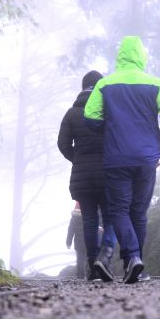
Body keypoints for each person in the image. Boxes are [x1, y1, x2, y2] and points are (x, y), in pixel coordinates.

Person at [84, 36, 160, 284]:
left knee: (118, 210)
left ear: (120, 56)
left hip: (117, 157)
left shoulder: (105, 84)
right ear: (142, 56)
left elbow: (91, 118)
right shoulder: (156, 84)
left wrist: (111, 129)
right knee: (139, 211)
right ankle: (135, 265)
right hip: (147, 158)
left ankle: (133, 258)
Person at [58, 70, 117, 281]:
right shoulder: (109, 111)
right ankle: (104, 258)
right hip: (108, 174)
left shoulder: (72, 113)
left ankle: (93, 266)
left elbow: (62, 144)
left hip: (82, 177)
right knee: (110, 218)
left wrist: (77, 159)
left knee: (90, 221)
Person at [65, 201, 87, 279]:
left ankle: (80, 274)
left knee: (80, 259)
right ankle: (90, 273)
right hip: (88, 241)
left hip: (78, 243)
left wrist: (68, 242)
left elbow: (70, 231)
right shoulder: (88, 217)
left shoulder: (74, 219)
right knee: (90, 257)